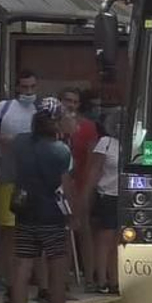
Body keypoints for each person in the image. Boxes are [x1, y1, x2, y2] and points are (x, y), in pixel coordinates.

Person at [10, 97, 76, 303]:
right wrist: (74, 215)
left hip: (25, 212)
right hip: (52, 216)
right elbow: (67, 188)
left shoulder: (20, 143)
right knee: (57, 271)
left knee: (23, 269)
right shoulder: (61, 151)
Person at [0, 69, 40, 300]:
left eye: (32, 88)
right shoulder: (2, 109)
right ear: (17, 88)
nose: (28, 92)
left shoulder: (41, 111)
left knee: (32, 232)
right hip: (8, 177)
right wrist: (3, 139)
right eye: (24, 88)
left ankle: (28, 280)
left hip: (35, 181)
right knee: (9, 233)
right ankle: (10, 282)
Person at [59, 87, 100, 289]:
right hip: (59, 185)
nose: (71, 105)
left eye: (75, 102)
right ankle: (63, 278)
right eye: (68, 100)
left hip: (80, 184)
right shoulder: (54, 126)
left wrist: (85, 192)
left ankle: (90, 278)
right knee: (63, 233)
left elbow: (92, 162)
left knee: (84, 230)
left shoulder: (88, 127)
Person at [82, 109, 122, 294]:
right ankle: (102, 280)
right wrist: (85, 196)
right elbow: (94, 171)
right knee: (104, 240)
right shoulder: (105, 143)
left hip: (124, 197)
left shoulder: (134, 145)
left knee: (118, 241)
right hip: (106, 195)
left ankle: (115, 280)